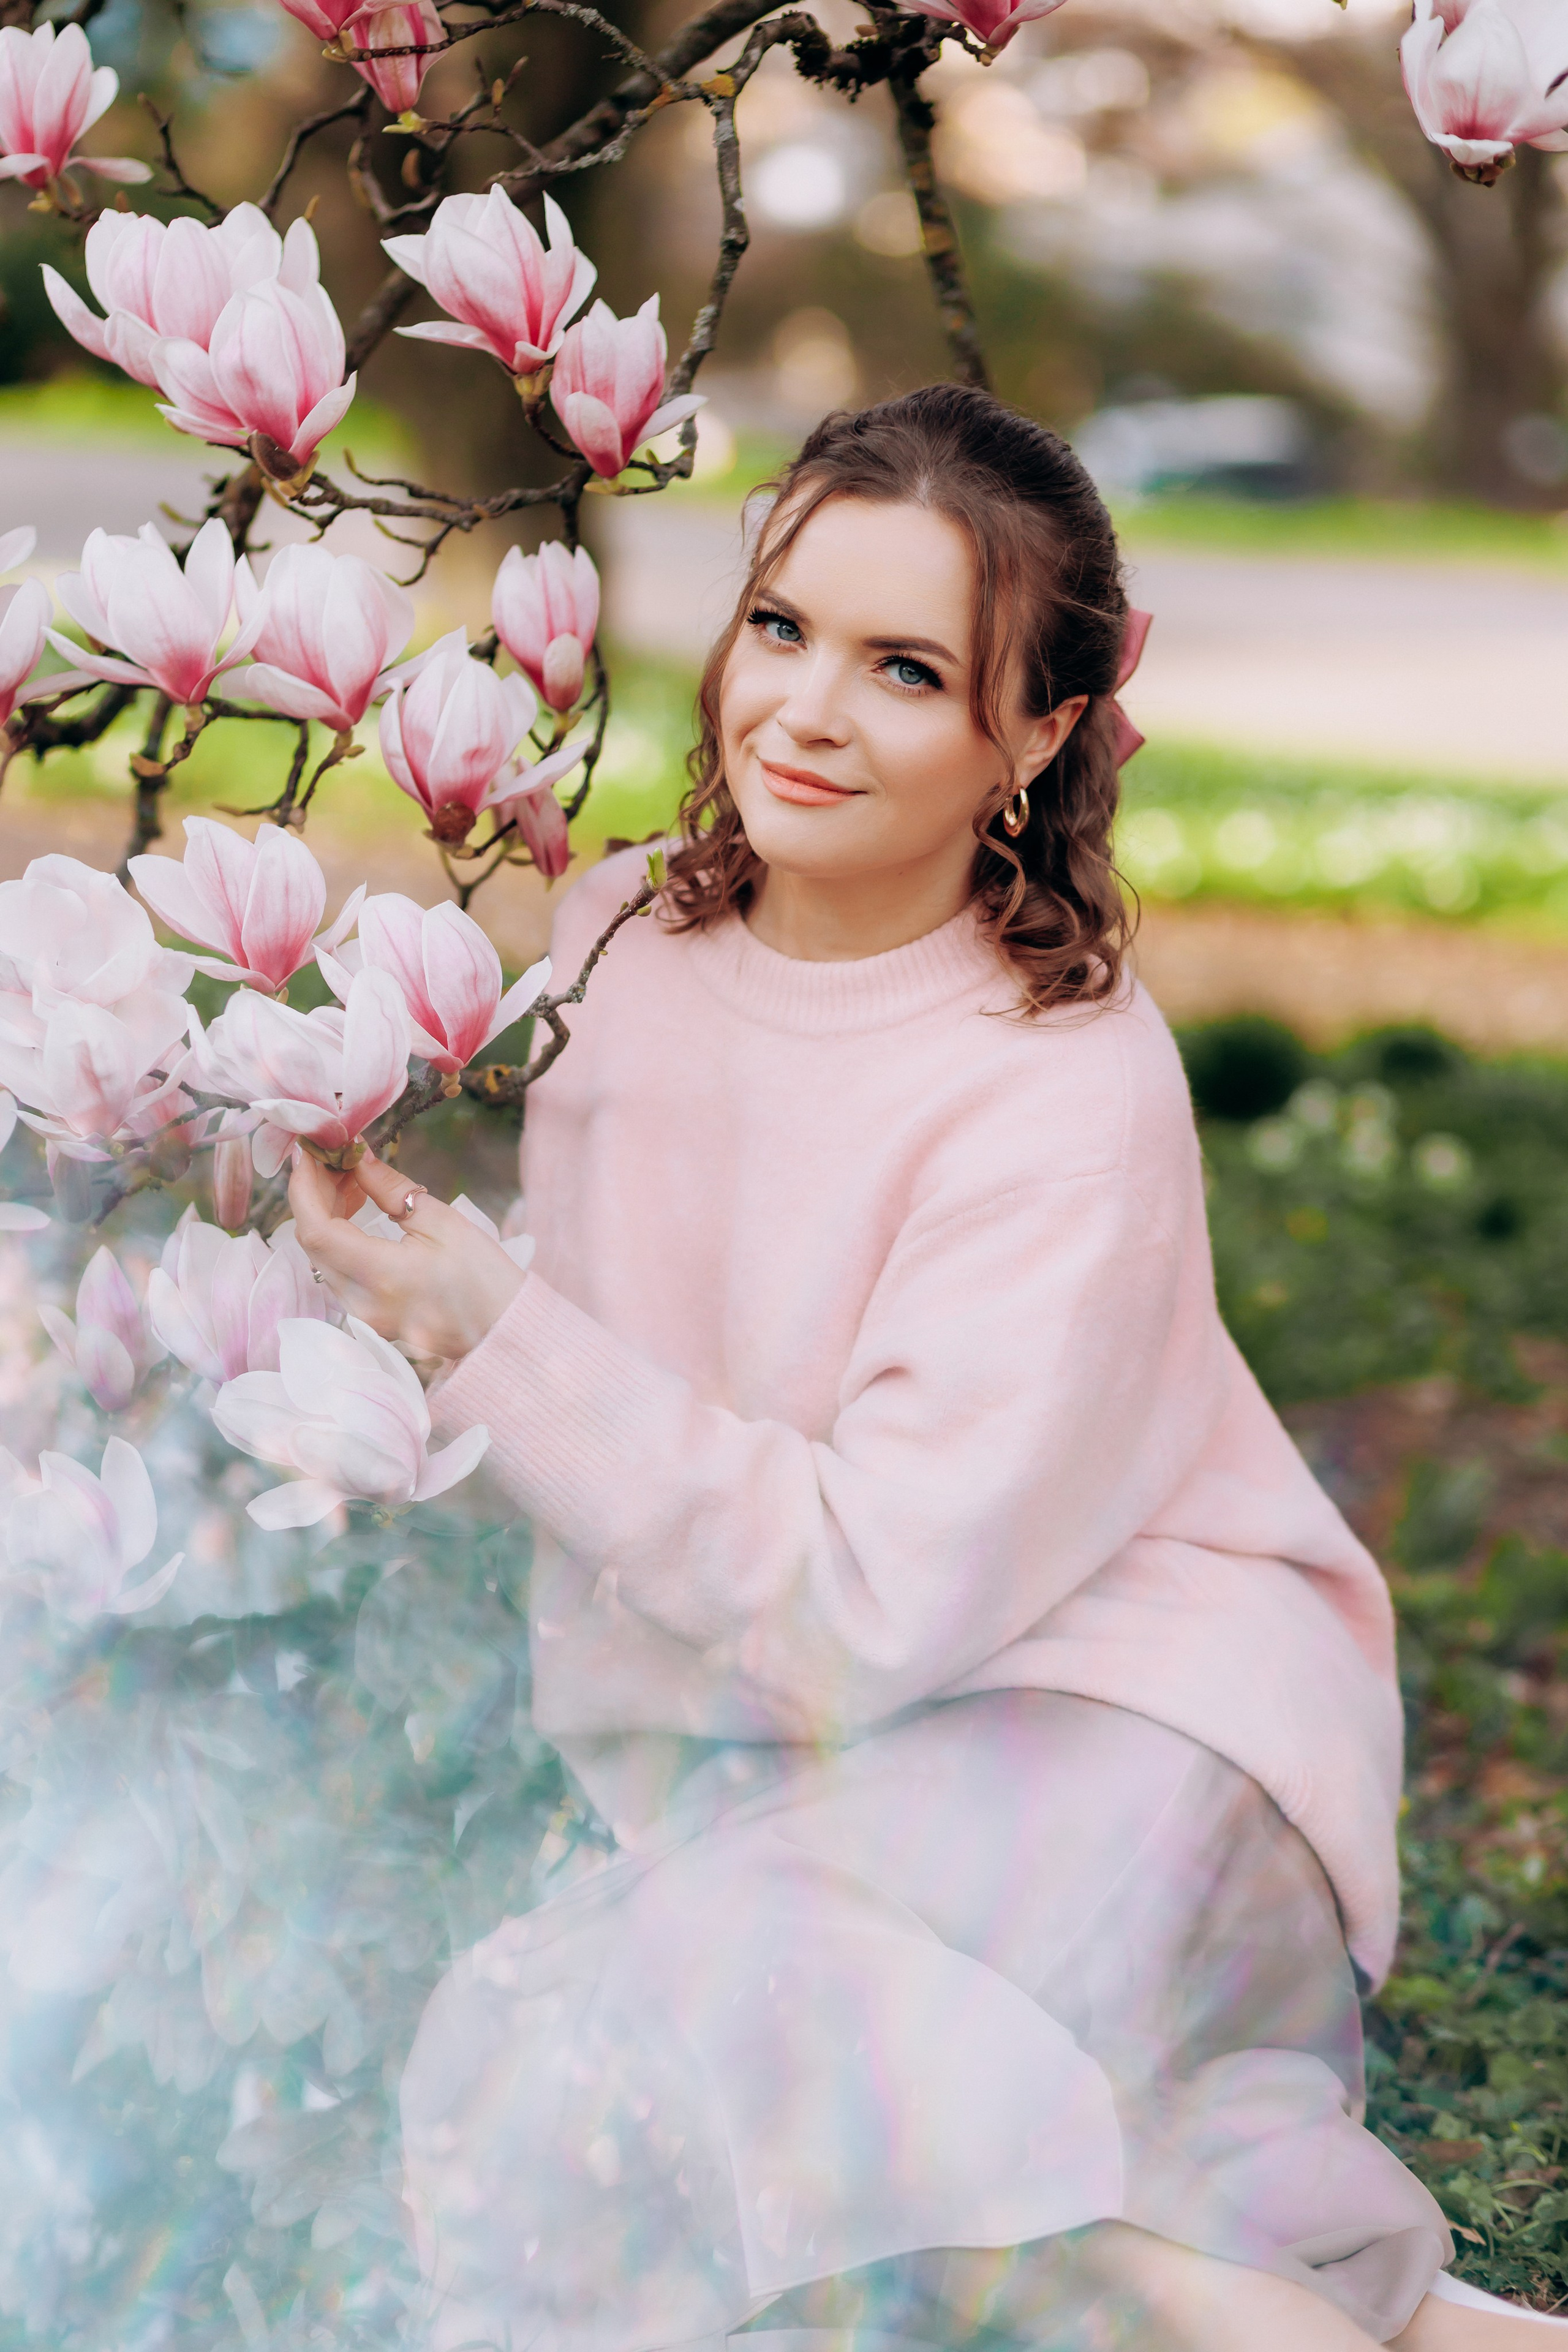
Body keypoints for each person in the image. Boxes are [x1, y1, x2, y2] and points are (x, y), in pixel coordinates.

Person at [288, 385, 1561, 2350]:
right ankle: (1238, 2294)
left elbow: (870, 1601)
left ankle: (1209, 2308)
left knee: (707, 2014)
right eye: (784, 628)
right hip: (824, 1759)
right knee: (569, 2047)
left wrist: (494, 1336)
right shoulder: (627, 935)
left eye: (905, 670)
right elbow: (649, 1414)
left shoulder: (1061, 1080)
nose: (804, 710)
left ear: (1037, 733)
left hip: (1126, 1721)